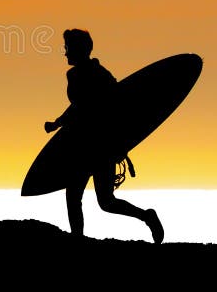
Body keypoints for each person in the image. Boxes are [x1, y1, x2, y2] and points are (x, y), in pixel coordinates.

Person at [44, 28, 165, 243]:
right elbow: (77, 106)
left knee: (103, 201)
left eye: (68, 48)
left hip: (99, 144)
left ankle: (147, 216)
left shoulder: (100, 75)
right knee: (79, 197)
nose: (65, 53)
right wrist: (57, 123)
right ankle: (78, 239)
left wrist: (121, 145)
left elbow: (117, 106)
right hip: (84, 143)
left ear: (80, 49)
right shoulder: (74, 74)